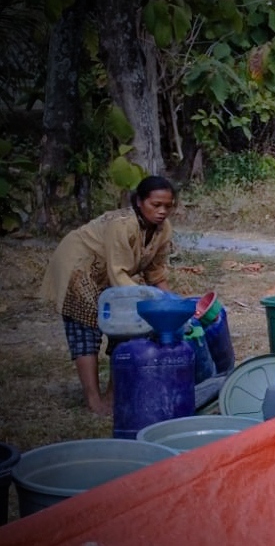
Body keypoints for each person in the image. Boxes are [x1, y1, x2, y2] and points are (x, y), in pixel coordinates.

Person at [41, 175, 176, 415]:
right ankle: (94, 400)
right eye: (156, 205)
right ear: (138, 202)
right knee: (85, 328)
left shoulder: (163, 229)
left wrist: (176, 304)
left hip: (112, 274)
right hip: (79, 265)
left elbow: (155, 274)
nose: (162, 211)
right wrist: (152, 301)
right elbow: (119, 275)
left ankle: (113, 394)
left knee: (126, 328)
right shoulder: (122, 224)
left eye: (168, 205)